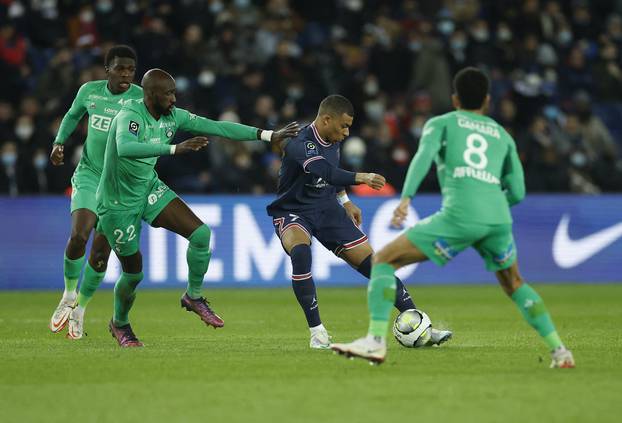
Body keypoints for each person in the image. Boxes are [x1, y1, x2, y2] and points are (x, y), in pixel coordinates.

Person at [332, 68, 575, 368]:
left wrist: (406, 198)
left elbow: (423, 158)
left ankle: (375, 342)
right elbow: (519, 191)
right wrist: (493, 205)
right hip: (498, 218)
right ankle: (560, 351)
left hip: (460, 215)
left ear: (455, 98)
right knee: (514, 283)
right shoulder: (503, 135)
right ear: (487, 100)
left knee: (382, 261)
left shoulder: (442, 123)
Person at [99, 68, 298, 347]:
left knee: (201, 235)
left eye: (174, 92)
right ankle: (119, 323)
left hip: (148, 189)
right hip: (117, 203)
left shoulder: (174, 116)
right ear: (150, 94)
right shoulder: (129, 115)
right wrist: (174, 149)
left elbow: (218, 127)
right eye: (167, 93)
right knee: (133, 274)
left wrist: (267, 135)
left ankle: (193, 296)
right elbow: (125, 147)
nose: (173, 98)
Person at [266, 95, 452, 349]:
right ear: (326, 119)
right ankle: (317, 333)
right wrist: (362, 177)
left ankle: (420, 325)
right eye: (343, 126)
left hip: (327, 207)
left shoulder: (333, 139)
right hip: (292, 210)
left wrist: (345, 201)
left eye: (349, 126)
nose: (346, 132)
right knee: (300, 252)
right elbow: (325, 171)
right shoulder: (300, 142)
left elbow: (333, 173)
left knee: (377, 266)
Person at [48, 45, 143, 339]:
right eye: (120, 68)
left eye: (130, 69)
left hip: (119, 183)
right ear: (108, 70)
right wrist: (59, 142)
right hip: (90, 174)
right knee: (80, 234)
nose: (126, 74)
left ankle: (80, 310)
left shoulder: (140, 97)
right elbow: (72, 115)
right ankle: (68, 293)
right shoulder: (90, 91)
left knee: (101, 253)